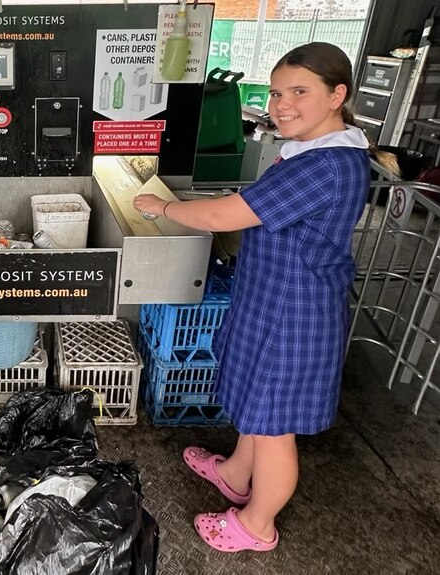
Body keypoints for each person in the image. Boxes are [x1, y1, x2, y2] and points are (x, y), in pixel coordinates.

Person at [134, 42, 370, 552]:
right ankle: (238, 473)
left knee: (275, 427)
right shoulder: (313, 151)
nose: (282, 104)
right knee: (257, 407)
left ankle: (256, 525)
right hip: (274, 295)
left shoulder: (326, 165)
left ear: (337, 95)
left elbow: (226, 217)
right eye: (278, 92)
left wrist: (164, 206)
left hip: (294, 310)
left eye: (300, 91)